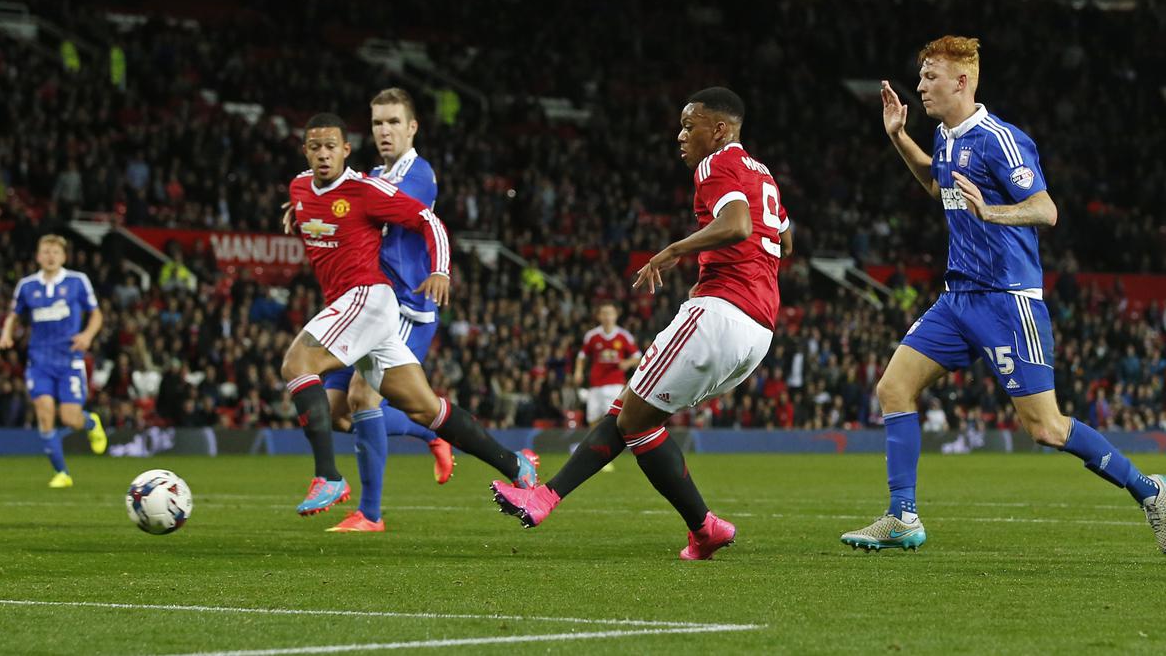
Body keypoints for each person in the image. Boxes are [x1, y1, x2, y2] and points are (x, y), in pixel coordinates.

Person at [840, 36, 1165, 553]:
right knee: (893, 389)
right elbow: (935, 186)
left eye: (930, 76)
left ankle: (1151, 492)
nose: (920, 85)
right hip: (958, 299)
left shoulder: (999, 139)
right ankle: (902, 516)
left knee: (1047, 429)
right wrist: (899, 137)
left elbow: (1045, 208)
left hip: (1008, 302)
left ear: (962, 82)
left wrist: (992, 212)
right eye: (921, 76)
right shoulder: (945, 137)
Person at [491, 87, 791, 560]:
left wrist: (674, 251)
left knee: (631, 415)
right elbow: (783, 240)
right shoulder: (763, 172)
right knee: (637, 417)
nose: (680, 135)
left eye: (689, 125)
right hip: (758, 331)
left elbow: (737, 226)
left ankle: (550, 498)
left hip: (721, 313)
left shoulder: (715, 164)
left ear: (719, 129)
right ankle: (701, 527)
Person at [282, 112, 538, 524]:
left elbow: (427, 220)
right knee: (424, 409)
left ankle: (329, 477)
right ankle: (515, 465)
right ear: (306, 152)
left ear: (346, 151)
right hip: (366, 312)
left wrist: (440, 269)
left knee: (298, 363)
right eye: (315, 147)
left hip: (366, 297)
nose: (324, 154)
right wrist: (296, 211)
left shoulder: (365, 189)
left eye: (332, 146)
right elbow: (311, 207)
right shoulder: (298, 189)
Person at [283, 88, 455, 533]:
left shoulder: (417, 174)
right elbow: (344, 200)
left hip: (405, 303)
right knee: (339, 412)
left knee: (363, 398)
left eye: (393, 122)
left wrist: (320, 204)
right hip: (363, 302)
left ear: (411, 127)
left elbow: (371, 204)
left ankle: (370, 512)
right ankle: (433, 431)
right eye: (378, 122)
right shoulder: (373, 173)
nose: (384, 131)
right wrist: (306, 208)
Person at [0, 234, 107, 487]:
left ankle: (90, 422)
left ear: (64, 257)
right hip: (39, 361)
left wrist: (88, 335)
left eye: (55, 252)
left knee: (69, 418)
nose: (50, 256)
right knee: (44, 413)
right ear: (38, 256)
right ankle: (62, 473)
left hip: (69, 360)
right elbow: (14, 314)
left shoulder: (78, 281)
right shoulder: (26, 285)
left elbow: (96, 314)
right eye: (46, 251)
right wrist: (6, 334)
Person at [573, 301, 641, 425]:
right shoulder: (592, 336)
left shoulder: (623, 336)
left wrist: (627, 362)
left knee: (614, 420)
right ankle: (596, 445)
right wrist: (578, 371)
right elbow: (581, 356)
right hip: (596, 384)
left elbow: (637, 356)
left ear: (616, 315)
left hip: (615, 384)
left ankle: (612, 444)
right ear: (599, 316)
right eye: (604, 314)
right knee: (592, 419)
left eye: (610, 313)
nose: (607, 317)